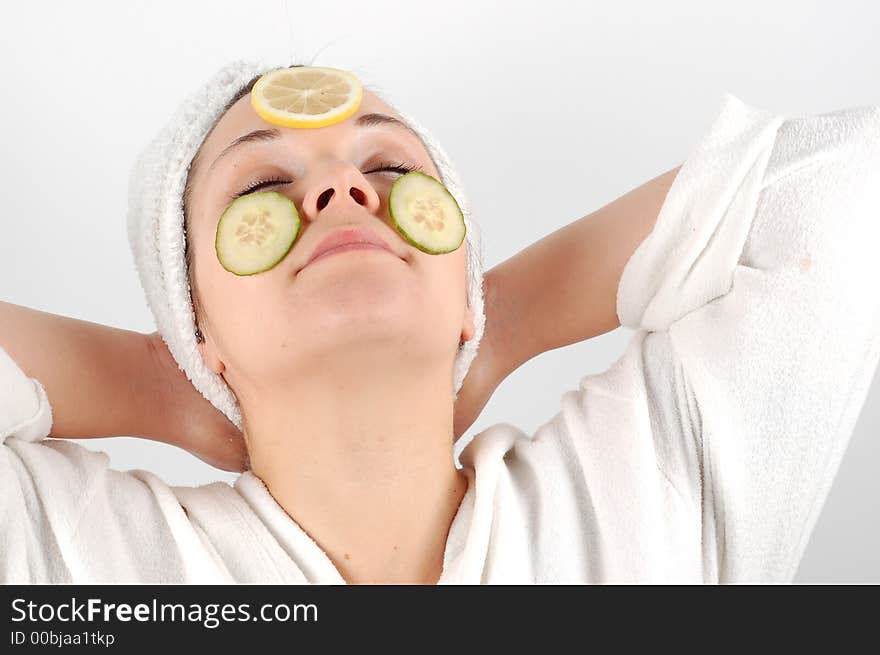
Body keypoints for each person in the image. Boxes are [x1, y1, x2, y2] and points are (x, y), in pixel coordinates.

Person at [2, 60, 879, 584]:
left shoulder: (644, 498)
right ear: (202, 335)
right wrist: (163, 388)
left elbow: (846, 190)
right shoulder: (90, 564)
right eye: (262, 191)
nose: (342, 191)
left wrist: (496, 325)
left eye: (388, 166)